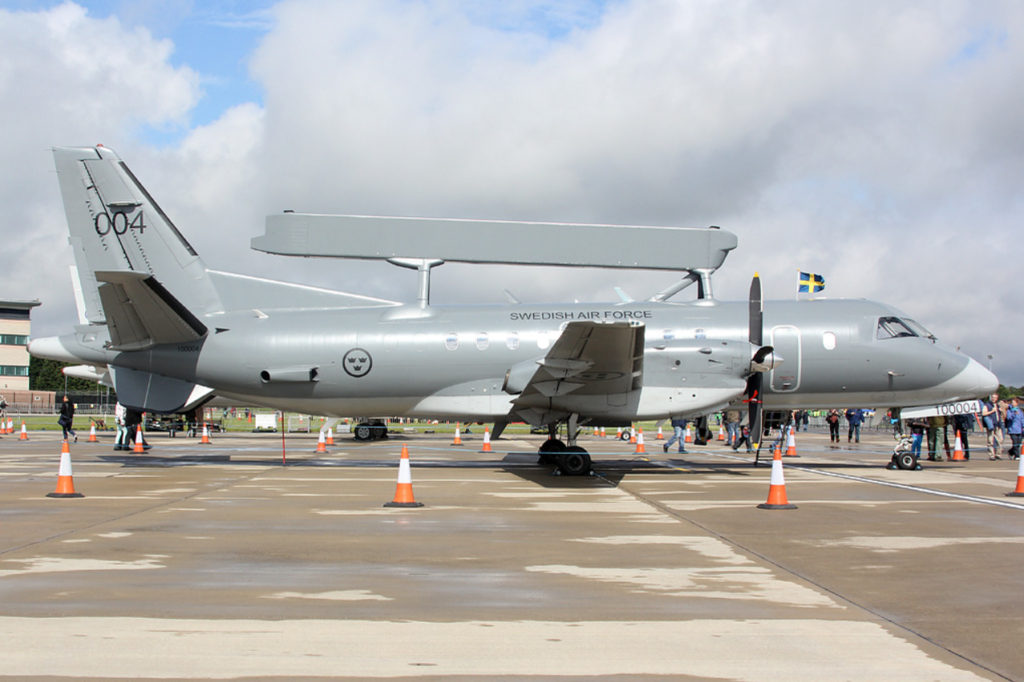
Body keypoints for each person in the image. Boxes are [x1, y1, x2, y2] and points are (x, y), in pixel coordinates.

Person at [979, 395, 999, 459]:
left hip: (997, 425)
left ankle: (998, 454)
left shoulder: (997, 405)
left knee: (999, 440)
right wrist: (992, 411)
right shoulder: (987, 405)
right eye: (993, 397)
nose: (994, 399)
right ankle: (991, 455)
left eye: (995, 397)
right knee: (990, 440)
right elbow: (983, 413)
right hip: (991, 425)